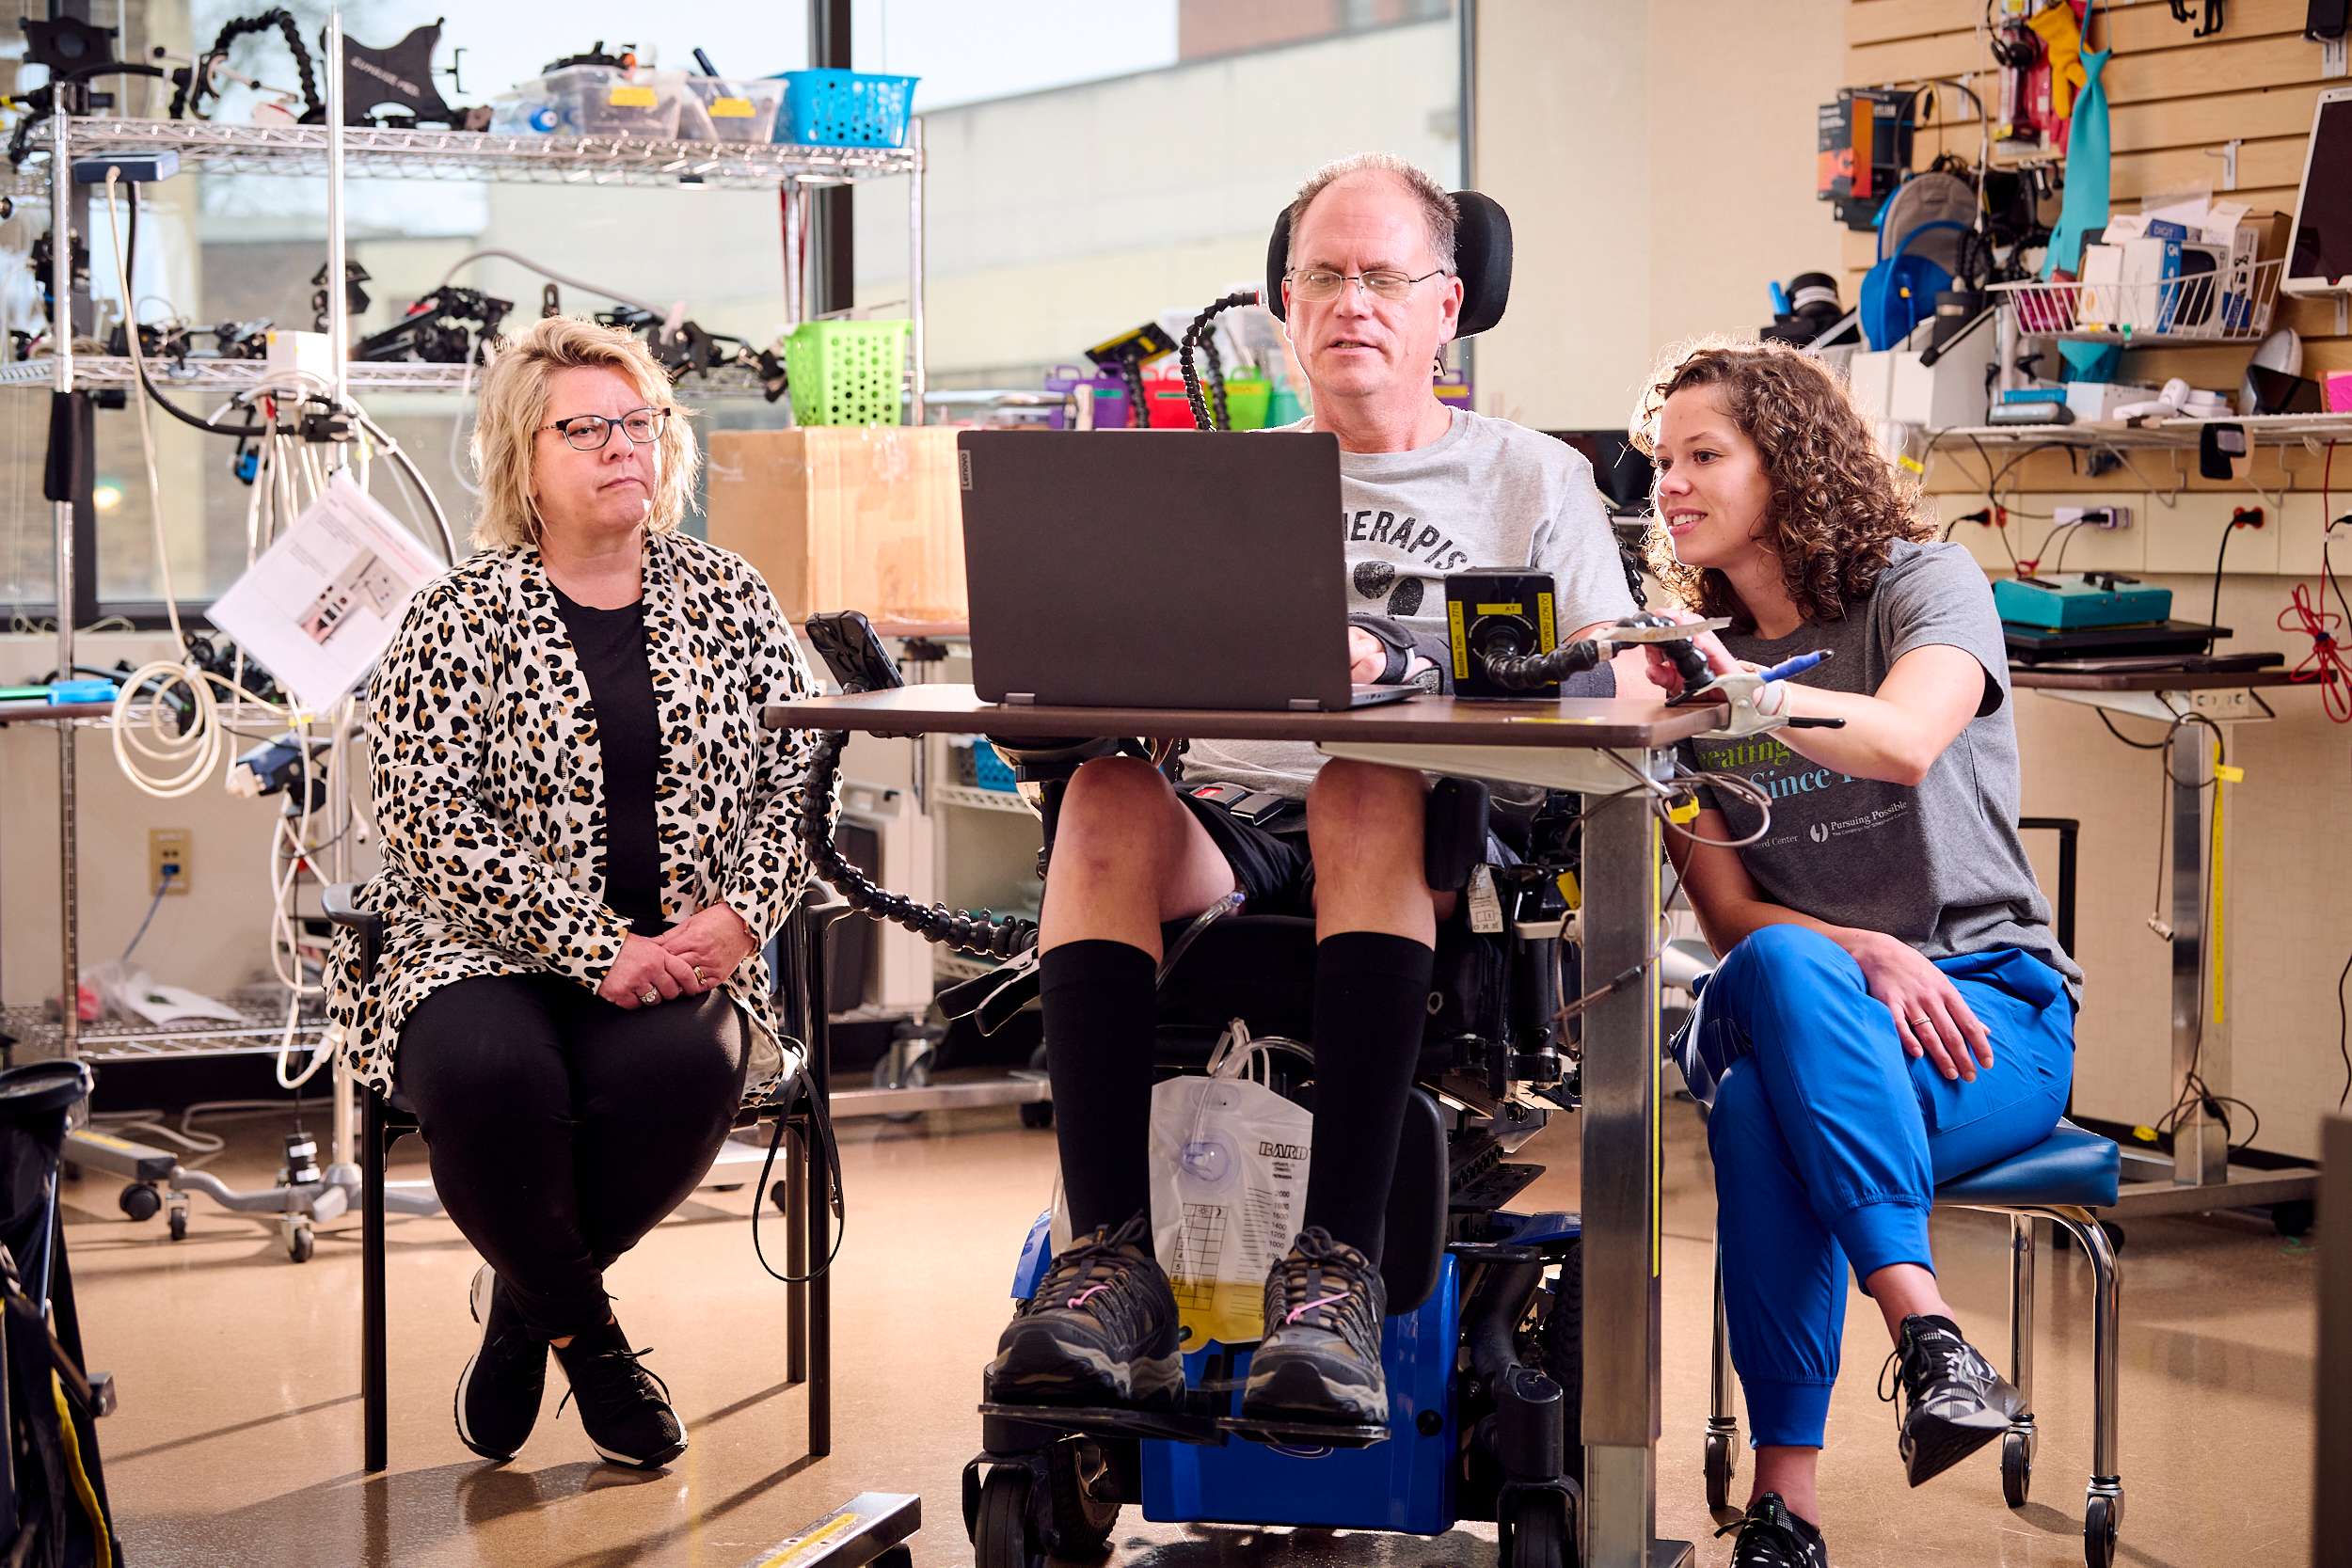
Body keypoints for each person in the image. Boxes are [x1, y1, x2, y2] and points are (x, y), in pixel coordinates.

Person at [984, 152, 1648, 1427]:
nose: (1354, 302)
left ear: (1446, 305)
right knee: (1111, 796)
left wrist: (1404, 668)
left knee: (1362, 777)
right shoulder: (1226, 487)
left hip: (1436, 828)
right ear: (1286, 306)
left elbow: (1616, 682)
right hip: (1237, 822)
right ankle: (1110, 1256)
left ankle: (1333, 1268)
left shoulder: (1531, 480)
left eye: (1384, 276)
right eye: (1325, 277)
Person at [326, 315, 829, 1471]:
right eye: (585, 428)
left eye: (638, 422)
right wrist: (588, 939)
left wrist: (741, 913)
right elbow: (423, 809)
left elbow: (799, 773)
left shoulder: (730, 595)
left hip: (682, 952)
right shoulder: (460, 611)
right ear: (524, 458)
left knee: (687, 1073)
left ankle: (525, 1307)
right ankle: (593, 1345)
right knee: (495, 1078)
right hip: (476, 952)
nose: (621, 448)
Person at [1636, 341, 2082, 1568]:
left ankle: (1792, 1509)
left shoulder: (1925, 585)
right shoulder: (1682, 672)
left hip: (1990, 1018)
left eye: (1704, 454)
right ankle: (1932, 1338)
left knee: (1757, 1111)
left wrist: (1747, 692)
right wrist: (1858, 949)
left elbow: (1904, 740)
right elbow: (1728, 913)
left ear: (1789, 459)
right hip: (1815, 995)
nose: (1671, 483)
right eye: (1661, 460)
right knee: (1774, 972)